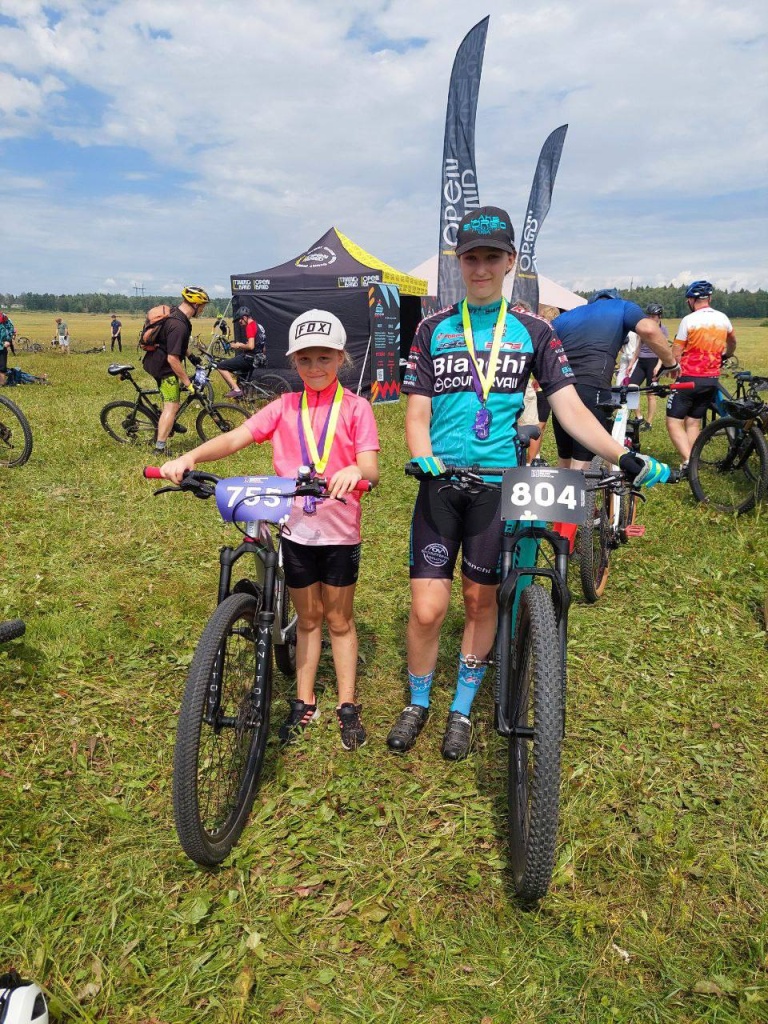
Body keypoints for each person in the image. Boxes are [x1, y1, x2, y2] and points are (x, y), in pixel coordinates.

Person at [386, 206, 674, 762]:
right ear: (459, 262)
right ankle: (416, 702)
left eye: (492, 257)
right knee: (426, 610)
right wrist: (421, 455)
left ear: (510, 262)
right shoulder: (432, 327)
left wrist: (624, 456)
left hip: (500, 483)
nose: (481, 267)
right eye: (471, 257)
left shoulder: (534, 329)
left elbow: (568, 408)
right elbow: (417, 412)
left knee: (480, 599)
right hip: (441, 482)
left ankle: (462, 709)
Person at [159, 308, 380, 751]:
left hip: (339, 535)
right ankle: (304, 701)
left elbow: (371, 467)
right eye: (305, 360)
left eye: (323, 358)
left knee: (338, 619)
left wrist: (355, 469)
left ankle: (347, 703)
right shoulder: (284, 407)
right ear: (293, 362)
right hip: (296, 532)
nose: (314, 368)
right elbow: (237, 437)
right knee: (310, 619)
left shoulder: (357, 408)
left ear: (341, 359)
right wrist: (191, 458)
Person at [666, 280, 736, 467]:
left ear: (691, 300)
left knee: (673, 421)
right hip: (711, 379)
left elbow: (677, 351)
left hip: (688, 378)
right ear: (709, 298)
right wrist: (725, 355)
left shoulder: (689, 320)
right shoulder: (723, 318)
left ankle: (689, 460)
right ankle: (694, 460)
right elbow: (732, 342)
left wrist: (670, 368)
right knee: (693, 422)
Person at [141, 286, 210, 453]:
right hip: (164, 368)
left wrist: (191, 357)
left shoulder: (178, 316)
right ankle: (160, 448)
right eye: (202, 306)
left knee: (172, 403)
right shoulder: (178, 325)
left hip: (156, 362)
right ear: (195, 304)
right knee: (171, 406)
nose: (203, 309)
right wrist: (188, 384)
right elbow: (172, 358)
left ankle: (168, 422)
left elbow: (175, 345)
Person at [626, 302, 668, 430]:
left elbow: (664, 349)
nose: (651, 318)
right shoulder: (644, 328)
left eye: (653, 316)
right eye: (649, 315)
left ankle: (649, 423)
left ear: (659, 316)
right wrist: (632, 363)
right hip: (641, 362)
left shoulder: (663, 330)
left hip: (654, 362)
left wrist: (659, 365)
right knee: (631, 388)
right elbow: (639, 346)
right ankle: (639, 417)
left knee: (651, 394)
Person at [216, 307, 266, 398]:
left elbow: (251, 346)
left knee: (220, 366)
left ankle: (236, 390)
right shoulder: (259, 326)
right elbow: (263, 347)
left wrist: (238, 345)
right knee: (241, 379)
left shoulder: (250, 326)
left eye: (240, 320)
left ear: (245, 317)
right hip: (258, 358)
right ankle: (243, 397)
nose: (239, 322)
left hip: (249, 358)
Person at [0, 310, 15, 386]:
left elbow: (10, 329)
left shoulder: (6, 321)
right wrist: (2, 343)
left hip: (2, 348)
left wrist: (10, 337)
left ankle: (1, 383)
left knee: (2, 366)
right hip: (2, 345)